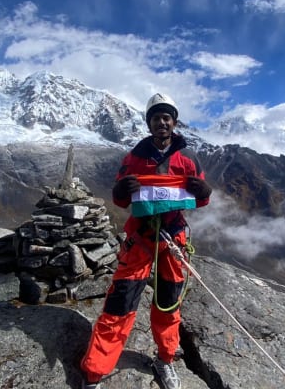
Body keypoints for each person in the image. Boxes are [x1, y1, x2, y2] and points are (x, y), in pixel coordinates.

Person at [79, 93, 212, 389]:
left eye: (166, 117)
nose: (161, 122)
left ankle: (165, 360)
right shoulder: (133, 158)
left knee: (168, 304)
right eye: (156, 117)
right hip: (141, 237)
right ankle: (95, 372)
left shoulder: (189, 158)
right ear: (149, 123)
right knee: (120, 303)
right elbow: (120, 197)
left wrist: (204, 191)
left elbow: (199, 198)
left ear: (174, 122)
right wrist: (121, 190)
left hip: (173, 237)